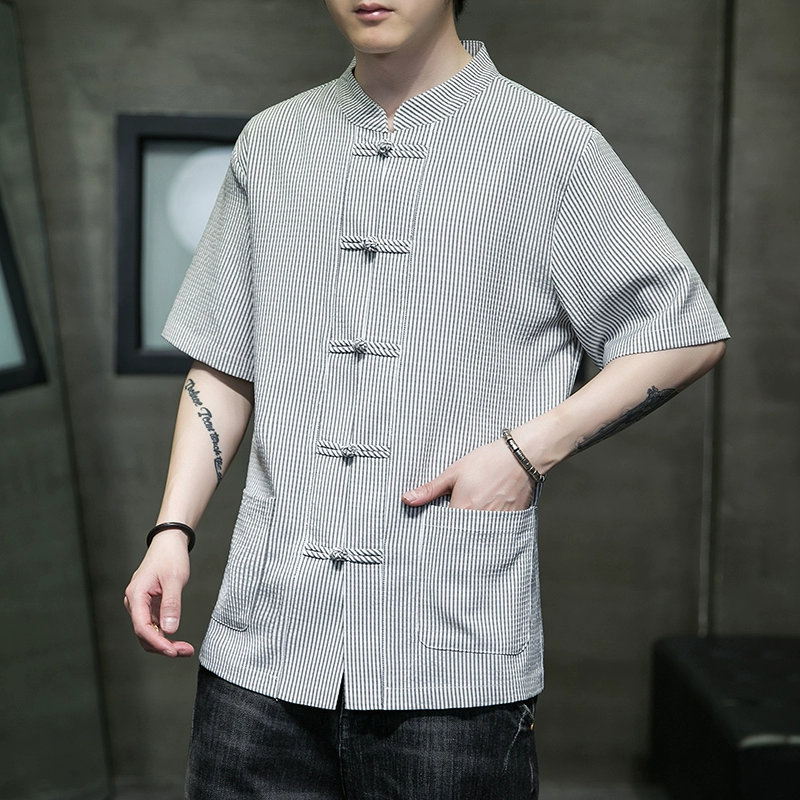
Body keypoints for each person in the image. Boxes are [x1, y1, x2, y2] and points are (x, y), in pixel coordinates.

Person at [124, 0, 729, 797]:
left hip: (451, 654)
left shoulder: (551, 146)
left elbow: (683, 332)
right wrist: (172, 531)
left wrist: (525, 453)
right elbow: (224, 362)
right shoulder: (273, 142)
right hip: (262, 650)